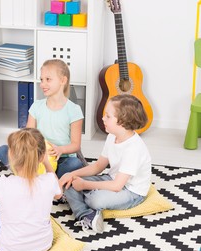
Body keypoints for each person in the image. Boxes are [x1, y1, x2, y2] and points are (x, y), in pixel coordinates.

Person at [59, 95, 151, 233]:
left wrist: (85, 185)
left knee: (95, 200)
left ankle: (80, 204)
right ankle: (87, 215)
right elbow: (98, 167)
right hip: (112, 179)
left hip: (132, 191)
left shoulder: (134, 148)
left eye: (108, 116)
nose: (103, 118)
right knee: (71, 182)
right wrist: (70, 174)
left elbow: (117, 186)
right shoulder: (112, 136)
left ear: (123, 121)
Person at [0, 59, 84, 178]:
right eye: (41, 80)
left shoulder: (74, 110)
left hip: (60, 158)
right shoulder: (36, 106)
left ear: (63, 80)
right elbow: (28, 135)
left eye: (48, 79)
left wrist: (60, 150)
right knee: (3, 150)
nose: (42, 84)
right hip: (36, 156)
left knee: (75, 164)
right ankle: (43, 176)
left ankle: (34, 175)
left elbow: (75, 145)